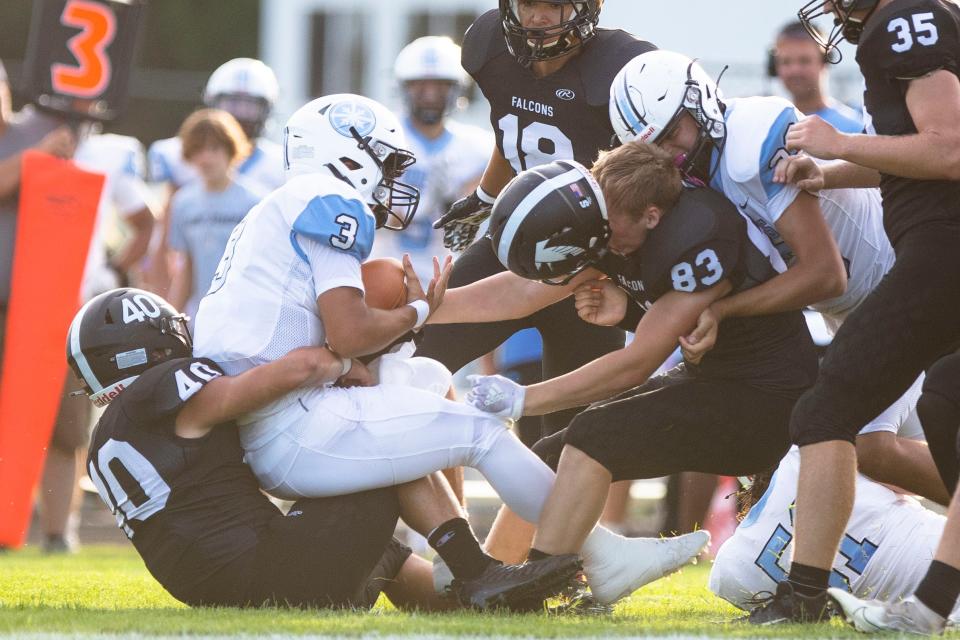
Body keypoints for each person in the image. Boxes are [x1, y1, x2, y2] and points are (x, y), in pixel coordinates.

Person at [192, 93, 705, 609]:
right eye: (386, 162)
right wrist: (413, 313)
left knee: (428, 377)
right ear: (347, 155)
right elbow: (348, 333)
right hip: (287, 424)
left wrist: (383, 337)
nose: (394, 177)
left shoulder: (282, 204)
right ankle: (600, 556)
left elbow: (313, 336)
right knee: (481, 431)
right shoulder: (330, 201)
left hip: (272, 414)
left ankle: (465, 569)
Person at [428, 142, 817, 597]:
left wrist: (524, 398)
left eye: (608, 229)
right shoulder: (614, 222)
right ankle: (494, 576)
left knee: (593, 436)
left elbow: (636, 363)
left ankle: (535, 586)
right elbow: (521, 293)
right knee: (553, 455)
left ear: (652, 216)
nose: (598, 241)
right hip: (717, 376)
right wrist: (427, 307)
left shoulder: (698, 234)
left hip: (768, 396)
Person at [610, 50, 948, 507]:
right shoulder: (688, 182)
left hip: (902, 286)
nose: (672, 155)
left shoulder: (754, 141)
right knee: (877, 442)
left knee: (863, 442)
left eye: (673, 134)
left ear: (701, 103)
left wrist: (722, 310)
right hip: (852, 310)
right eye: (657, 148)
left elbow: (824, 274)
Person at [737, 0, 960, 625]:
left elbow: (947, 151)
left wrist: (836, 138)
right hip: (940, 245)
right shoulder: (923, 20)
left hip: (944, 252)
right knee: (944, 405)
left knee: (827, 409)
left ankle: (804, 593)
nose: (832, 6)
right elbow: (913, 155)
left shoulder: (906, 20)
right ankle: (931, 607)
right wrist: (829, 171)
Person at [70, 287, 499, 609]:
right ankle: (476, 573)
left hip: (228, 590)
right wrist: (343, 363)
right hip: (275, 574)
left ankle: (466, 594)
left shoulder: (107, 438)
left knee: (374, 546)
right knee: (381, 445)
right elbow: (298, 370)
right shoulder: (161, 390)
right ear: (154, 348)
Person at [422, 0, 656, 565]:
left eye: (557, 4)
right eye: (529, 2)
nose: (540, 17)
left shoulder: (625, 72)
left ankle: (541, 569)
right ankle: (456, 549)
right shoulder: (488, 46)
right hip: (515, 249)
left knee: (569, 443)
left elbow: (652, 184)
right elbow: (515, 129)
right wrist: (484, 196)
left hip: (593, 270)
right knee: (412, 367)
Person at [145, 58, 283, 295]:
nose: (239, 115)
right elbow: (167, 239)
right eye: (231, 104)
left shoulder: (279, 165)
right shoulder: (182, 157)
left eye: (249, 106)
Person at [370, 36, 492, 279]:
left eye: (440, 86)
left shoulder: (479, 148)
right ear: (404, 87)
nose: (430, 96)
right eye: (420, 86)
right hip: (385, 273)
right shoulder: (379, 140)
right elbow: (383, 220)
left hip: (449, 278)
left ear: (457, 88)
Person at [167, 109, 262, 323]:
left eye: (214, 148)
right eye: (198, 150)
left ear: (230, 149)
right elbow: (186, 268)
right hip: (203, 318)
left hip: (246, 317)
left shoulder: (255, 202)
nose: (205, 158)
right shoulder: (183, 203)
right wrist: (171, 318)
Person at [770, 21, 863, 133]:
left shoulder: (854, 129)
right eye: (786, 62)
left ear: (825, 61)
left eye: (804, 61)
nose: (795, 70)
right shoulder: (769, 126)